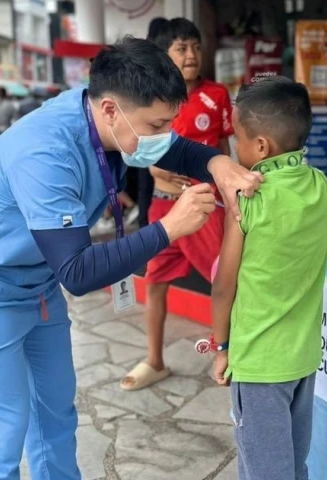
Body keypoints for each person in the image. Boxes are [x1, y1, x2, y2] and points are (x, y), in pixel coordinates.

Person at [0, 37, 262, 480]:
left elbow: (176, 149)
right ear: (110, 110)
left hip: (37, 277)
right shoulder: (46, 151)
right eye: (157, 124)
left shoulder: (112, 118)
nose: (164, 136)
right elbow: (79, 272)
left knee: (55, 412)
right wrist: (167, 228)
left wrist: (218, 164)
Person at [210, 77, 327, 480]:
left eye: (237, 138)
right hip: (303, 358)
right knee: (294, 464)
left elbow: (224, 284)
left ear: (261, 146)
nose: (233, 148)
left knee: (264, 471)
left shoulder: (249, 201)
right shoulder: (321, 187)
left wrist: (223, 345)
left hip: (260, 362)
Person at [121, 18, 234, 391]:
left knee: (227, 282)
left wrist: (231, 193)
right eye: (181, 48)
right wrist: (156, 172)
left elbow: (225, 150)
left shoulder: (216, 94)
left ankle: (233, 353)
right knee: (154, 283)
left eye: (196, 48)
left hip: (205, 208)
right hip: (165, 207)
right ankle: (155, 361)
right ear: (165, 55)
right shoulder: (152, 97)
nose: (190, 55)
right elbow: (143, 150)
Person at [137, 16, 170, 228]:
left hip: (140, 131)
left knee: (144, 184)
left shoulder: (142, 57)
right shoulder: (156, 61)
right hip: (148, 130)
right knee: (148, 181)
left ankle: (143, 225)